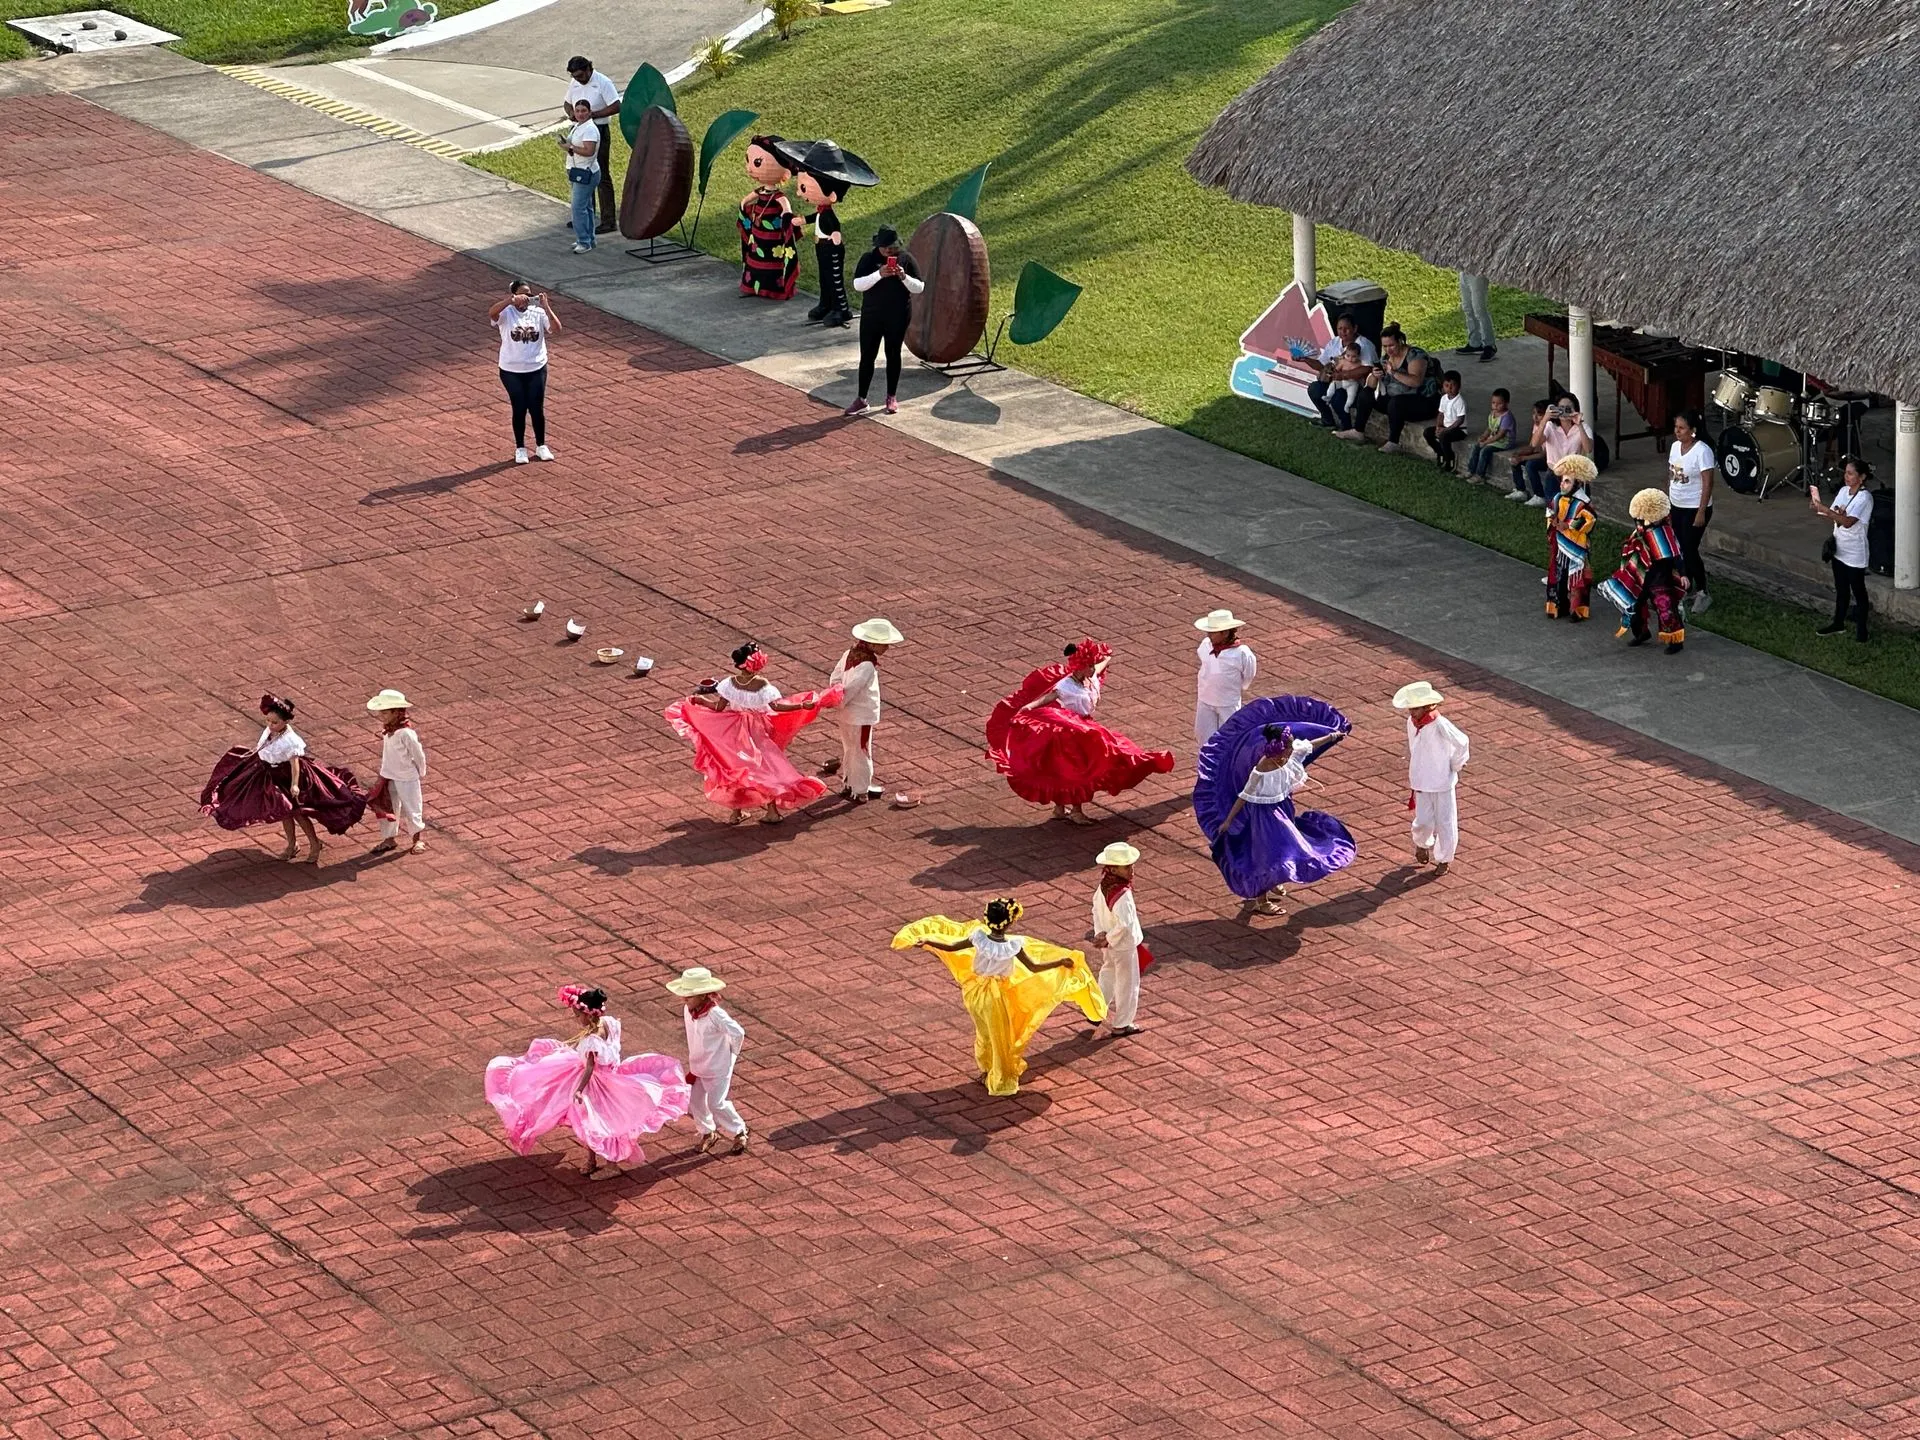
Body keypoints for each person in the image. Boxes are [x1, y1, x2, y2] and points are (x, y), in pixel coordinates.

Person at [893, 898, 1104, 1096]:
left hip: (975, 992)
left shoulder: (978, 937)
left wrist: (927, 941)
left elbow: (951, 946)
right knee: (1000, 1037)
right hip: (996, 997)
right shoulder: (1013, 946)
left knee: (984, 1032)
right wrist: (1059, 962)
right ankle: (999, 1078)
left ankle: (986, 1069)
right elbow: (1033, 967)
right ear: (1009, 923)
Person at [485, 984, 690, 1179]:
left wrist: (579, 1089)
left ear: (587, 1015)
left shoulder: (592, 1040)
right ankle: (591, 1160)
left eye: (577, 1015)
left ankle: (611, 1166)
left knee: (601, 1123)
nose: (576, 1020)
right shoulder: (608, 1023)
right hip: (608, 1076)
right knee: (588, 1123)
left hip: (598, 1084)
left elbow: (590, 1068)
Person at [985, 639, 1175, 825]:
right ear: (1079, 667)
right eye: (1089, 666)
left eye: (1092, 665)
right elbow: (1047, 698)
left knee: (1062, 770)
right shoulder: (1064, 686)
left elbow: (1103, 662)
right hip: (1070, 732)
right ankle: (1075, 811)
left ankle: (1060, 810)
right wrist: (1028, 707)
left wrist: (1106, 655)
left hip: (1084, 729)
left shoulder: (1090, 677)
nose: (1093, 669)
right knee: (1076, 771)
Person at [1194, 698, 1354, 915]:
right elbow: (1244, 796)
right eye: (1289, 746)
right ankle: (1261, 900)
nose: (1292, 748)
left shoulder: (1291, 752)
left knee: (1281, 848)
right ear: (1278, 750)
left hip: (1282, 808)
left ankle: (1273, 882)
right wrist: (1228, 821)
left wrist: (1332, 736)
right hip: (1263, 817)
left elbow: (1310, 745)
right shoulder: (1261, 770)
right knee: (1267, 855)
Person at [664, 642, 843, 823]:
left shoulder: (729, 683)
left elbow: (718, 707)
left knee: (737, 767)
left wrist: (702, 701)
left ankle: (736, 813)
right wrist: (801, 705)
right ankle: (772, 812)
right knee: (765, 768)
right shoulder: (762, 685)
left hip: (733, 729)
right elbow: (776, 707)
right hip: (757, 730)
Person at [199, 693, 367, 864]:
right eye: (268, 721)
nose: (270, 725)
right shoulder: (270, 731)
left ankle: (315, 844)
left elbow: (295, 764)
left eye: (275, 722)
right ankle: (292, 844)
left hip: (288, 777)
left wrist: (295, 785)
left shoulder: (290, 741)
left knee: (300, 814)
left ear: (285, 722)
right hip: (270, 775)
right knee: (284, 813)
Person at [667, 967, 749, 1156]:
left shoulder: (715, 1014)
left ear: (703, 995)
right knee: (694, 1100)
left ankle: (740, 1131)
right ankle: (708, 1132)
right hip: (699, 1065)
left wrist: (732, 1053)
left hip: (718, 1067)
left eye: (690, 995)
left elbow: (738, 1032)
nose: (684, 998)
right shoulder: (688, 1010)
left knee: (716, 1103)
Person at [844, 226, 924, 416]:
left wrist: (903, 276)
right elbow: (858, 285)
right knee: (867, 355)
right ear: (878, 246)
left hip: (898, 315)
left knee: (893, 354)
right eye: (886, 248)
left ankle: (891, 397)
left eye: (893, 247)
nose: (890, 251)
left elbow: (919, 287)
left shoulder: (906, 259)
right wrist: (879, 274)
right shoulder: (868, 259)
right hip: (872, 315)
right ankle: (861, 399)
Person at [1599, 488, 1689, 654]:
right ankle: (1641, 633)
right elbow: (1632, 550)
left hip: (1659, 577)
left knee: (1665, 607)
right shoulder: (1639, 531)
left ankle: (1675, 640)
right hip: (1639, 576)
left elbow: (1676, 554)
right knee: (1634, 605)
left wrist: (1683, 574)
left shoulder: (1665, 532)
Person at [822, 618, 902, 803]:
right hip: (860, 716)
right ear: (872, 644)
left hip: (845, 714)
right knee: (862, 751)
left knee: (849, 749)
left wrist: (836, 698)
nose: (887, 647)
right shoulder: (867, 665)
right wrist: (843, 700)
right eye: (884, 644)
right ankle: (860, 789)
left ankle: (849, 783)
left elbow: (835, 678)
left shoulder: (849, 654)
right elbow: (854, 688)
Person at [1392, 680, 1468, 875]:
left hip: (1442, 781)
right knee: (1423, 820)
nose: (1412, 712)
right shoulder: (1411, 723)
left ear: (1427, 707)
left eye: (1416, 709)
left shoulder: (1439, 724)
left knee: (1446, 822)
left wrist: (1455, 764)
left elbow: (1462, 742)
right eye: (1410, 708)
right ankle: (1422, 843)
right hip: (1421, 780)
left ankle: (1444, 859)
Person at [489, 280, 559, 465]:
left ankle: (541, 445)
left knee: (536, 407)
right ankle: (520, 448)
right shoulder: (507, 312)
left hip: (536, 367)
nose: (526, 298)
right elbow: (492, 313)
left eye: (529, 294)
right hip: (511, 370)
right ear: (514, 295)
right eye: (522, 294)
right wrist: (510, 301)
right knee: (519, 407)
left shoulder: (538, 312)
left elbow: (556, 328)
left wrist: (546, 306)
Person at [1337, 323, 1438, 453]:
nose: (1388, 350)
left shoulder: (1415, 355)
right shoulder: (1386, 358)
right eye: (1384, 346)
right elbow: (1372, 385)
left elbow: (1416, 381)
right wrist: (1374, 375)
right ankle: (1358, 431)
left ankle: (1393, 442)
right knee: (1366, 393)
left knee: (1396, 403)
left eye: (1391, 345)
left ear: (1400, 341)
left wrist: (1394, 373)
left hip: (1423, 401)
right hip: (1394, 399)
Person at [1086, 842, 1150, 1036]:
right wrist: (1109, 938)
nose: (1132, 870)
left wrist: (1100, 934)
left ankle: (1096, 1010)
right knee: (1127, 984)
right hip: (1123, 945)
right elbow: (1125, 924)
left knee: (1108, 974)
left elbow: (1096, 909)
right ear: (1114, 869)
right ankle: (1122, 1023)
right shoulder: (1123, 894)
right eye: (1127, 867)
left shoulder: (1104, 886)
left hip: (1109, 943)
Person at [1811, 457, 1875, 642]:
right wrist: (1819, 508)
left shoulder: (1864, 498)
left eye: (1850, 473)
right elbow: (1834, 514)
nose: (1846, 477)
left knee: (1858, 590)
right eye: (1845, 473)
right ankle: (1838, 622)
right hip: (1839, 547)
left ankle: (1862, 631)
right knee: (1841, 589)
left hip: (1855, 551)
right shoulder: (1843, 491)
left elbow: (1848, 522)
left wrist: (1827, 510)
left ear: (1861, 477)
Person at [364, 689, 427, 855]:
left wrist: (421, 771)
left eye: (385, 712)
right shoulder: (388, 731)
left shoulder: (406, 733)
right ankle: (389, 838)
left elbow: (418, 754)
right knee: (388, 807)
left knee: (412, 807)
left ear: (396, 712)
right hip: (388, 775)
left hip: (406, 777)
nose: (381, 715)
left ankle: (417, 839)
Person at [1667, 411, 1718, 614]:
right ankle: (1686, 586)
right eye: (1676, 427)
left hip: (1695, 507)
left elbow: (1708, 483)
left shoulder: (1702, 451)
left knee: (1689, 548)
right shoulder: (1674, 447)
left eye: (1682, 428)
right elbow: (1671, 475)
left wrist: (1701, 511)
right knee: (1679, 547)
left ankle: (1703, 591)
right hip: (1676, 504)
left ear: (1693, 430)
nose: (1677, 431)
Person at [561, 56, 619, 234]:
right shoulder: (575, 83)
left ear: (588, 69)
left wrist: (593, 115)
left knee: (600, 173)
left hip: (597, 129)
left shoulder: (603, 82)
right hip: (578, 129)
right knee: (581, 171)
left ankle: (608, 220)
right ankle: (585, 215)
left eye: (580, 75)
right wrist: (572, 113)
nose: (578, 79)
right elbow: (567, 103)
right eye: (575, 77)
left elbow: (616, 105)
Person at [738, 136, 799, 300]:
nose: (750, 169)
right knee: (755, 255)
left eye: (757, 163)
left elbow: (785, 206)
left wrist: (787, 213)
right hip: (758, 234)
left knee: (772, 258)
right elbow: (748, 199)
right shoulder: (760, 191)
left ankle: (772, 288)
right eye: (748, 161)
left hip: (773, 236)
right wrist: (743, 204)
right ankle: (753, 285)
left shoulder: (778, 196)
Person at [1544, 457, 1597, 621]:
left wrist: (1568, 525)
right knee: (1559, 577)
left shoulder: (1583, 502)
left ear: (1577, 484)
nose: (1562, 484)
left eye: (1567, 481)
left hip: (1576, 547)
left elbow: (1590, 519)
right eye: (1562, 481)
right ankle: (1559, 606)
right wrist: (1552, 521)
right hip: (1560, 546)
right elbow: (1550, 511)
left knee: (1576, 579)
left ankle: (1577, 610)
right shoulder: (1557, 498)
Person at [1193, 607, 1257, 743]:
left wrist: (1237, 688)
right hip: (1205, 699)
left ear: (1226, 633)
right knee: (1203, 736)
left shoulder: (1241, 653)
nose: (1209, 636)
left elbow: (1249, 674)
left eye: (1213, 633)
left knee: (1230, 739)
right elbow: (1208, 665)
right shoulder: (1205, 645)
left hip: (1228, 703)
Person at [1305, 315, 1377, 430]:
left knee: (1338, 395)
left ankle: (1347, 427)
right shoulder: (1334, 342)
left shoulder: (1364, 344)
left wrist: (1344, 375)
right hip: (1337, 383)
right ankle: (1328, 420)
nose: (1343, 332)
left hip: (1357, 387)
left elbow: (1367, 368)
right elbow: (1321, 365)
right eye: (1340, 328)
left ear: (1355, 328)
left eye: (1346, 329)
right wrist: (1305, 359)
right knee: (1315, 389)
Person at [1523, 398, 1593, 507]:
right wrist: (1545, 419)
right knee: (1554, 511)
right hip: (1554, 474)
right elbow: (1535, 443)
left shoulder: (1583, 427)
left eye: (1568, 408)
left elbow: (1588, 449)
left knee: (1576, 510)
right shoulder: (1550, 426)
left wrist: (1579, 425)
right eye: (1560, 408)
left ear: (1575, 410)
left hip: (1574, 475)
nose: (1564, 411)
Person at [558, 98, 600, 254]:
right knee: (586, 207)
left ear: (589, 112)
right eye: (578, 111)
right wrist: (568, 146)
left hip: (585, 173)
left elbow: (589, 151)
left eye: (583, 111)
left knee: (578, 209)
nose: (580, 114)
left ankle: (584, 241)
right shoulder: (578, 126)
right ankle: (589, 239)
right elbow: (576, 149)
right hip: (578, 171)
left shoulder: (589, 130)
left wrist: (570, 147)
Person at [1503, 399, 1553, 500]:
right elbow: (1532, 446)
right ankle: (1520, 490)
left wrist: (1523, 458)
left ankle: (1539, 495)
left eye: (1539, 414)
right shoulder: (1536, 426)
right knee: (1515, 460)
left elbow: (1544, 454)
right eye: (1533, 413)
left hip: (1548, 459)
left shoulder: (1550, 428)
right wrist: (1519, 453)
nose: (1535, 417)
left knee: (1530, 465)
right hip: (1538, 454)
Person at [1465, 388, 1515, 481]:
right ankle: (1470, 470)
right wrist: (1484, 436)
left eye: (1499, 404)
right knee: (1477, 446)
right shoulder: (1492, 413)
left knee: (1485, 451)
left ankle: (1480, 475)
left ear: (1506, 403)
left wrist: (1486, 442)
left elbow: (1500, 435)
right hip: (1494, 440)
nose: (1495, 406)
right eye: (1493, 403)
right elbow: (1489, 428)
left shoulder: (1507, 417)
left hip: (1504, 442)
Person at [1423, 370, 1469, 472]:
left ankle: (1450, 459)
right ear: (1443, 386)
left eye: (1453, 385)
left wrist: (1445, 430)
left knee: (1443, 437)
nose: (1449, 388)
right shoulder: (1444, 398)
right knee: (1427, 433)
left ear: (1459, 386)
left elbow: (1460, 420)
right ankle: (1440, 452)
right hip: (1445, 427)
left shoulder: (1460, 401)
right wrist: (1438, 426)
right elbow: (1441, 414)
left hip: (1459, 430)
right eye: (1447, 385)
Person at [1455, 273, 1497, 362]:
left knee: (1479, 310)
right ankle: (1475, 343)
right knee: (1468, 308)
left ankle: (1490, 345)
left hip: (1477, 273)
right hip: (1464, 272)